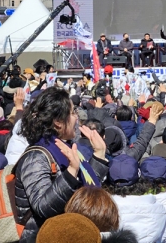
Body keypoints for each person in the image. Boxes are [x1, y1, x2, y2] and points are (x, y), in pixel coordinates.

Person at [15, 87, 109, 241]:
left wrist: (99, 154)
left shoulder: (66, 147)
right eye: (72, 113)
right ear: (58, 122)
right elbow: (43, 207)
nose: (76, 117)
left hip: (70, 234)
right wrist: (71, 171)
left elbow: (84, 193)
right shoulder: (36, 156)